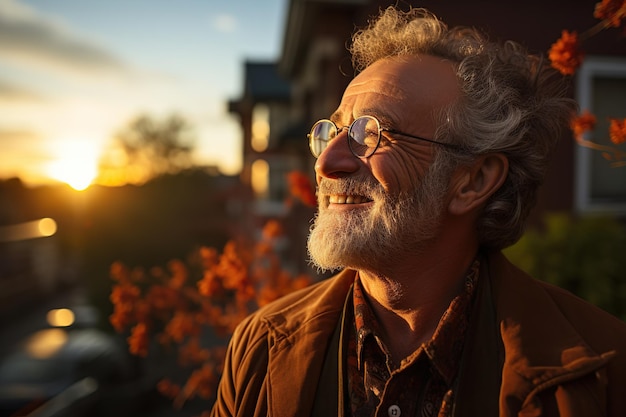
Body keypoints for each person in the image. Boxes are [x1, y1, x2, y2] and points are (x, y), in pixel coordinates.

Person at [210, 6, 626, 417]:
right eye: (331, 131)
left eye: (372, 133)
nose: (325, 163)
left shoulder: (604, 373)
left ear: (474, 181)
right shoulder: (261, 349)